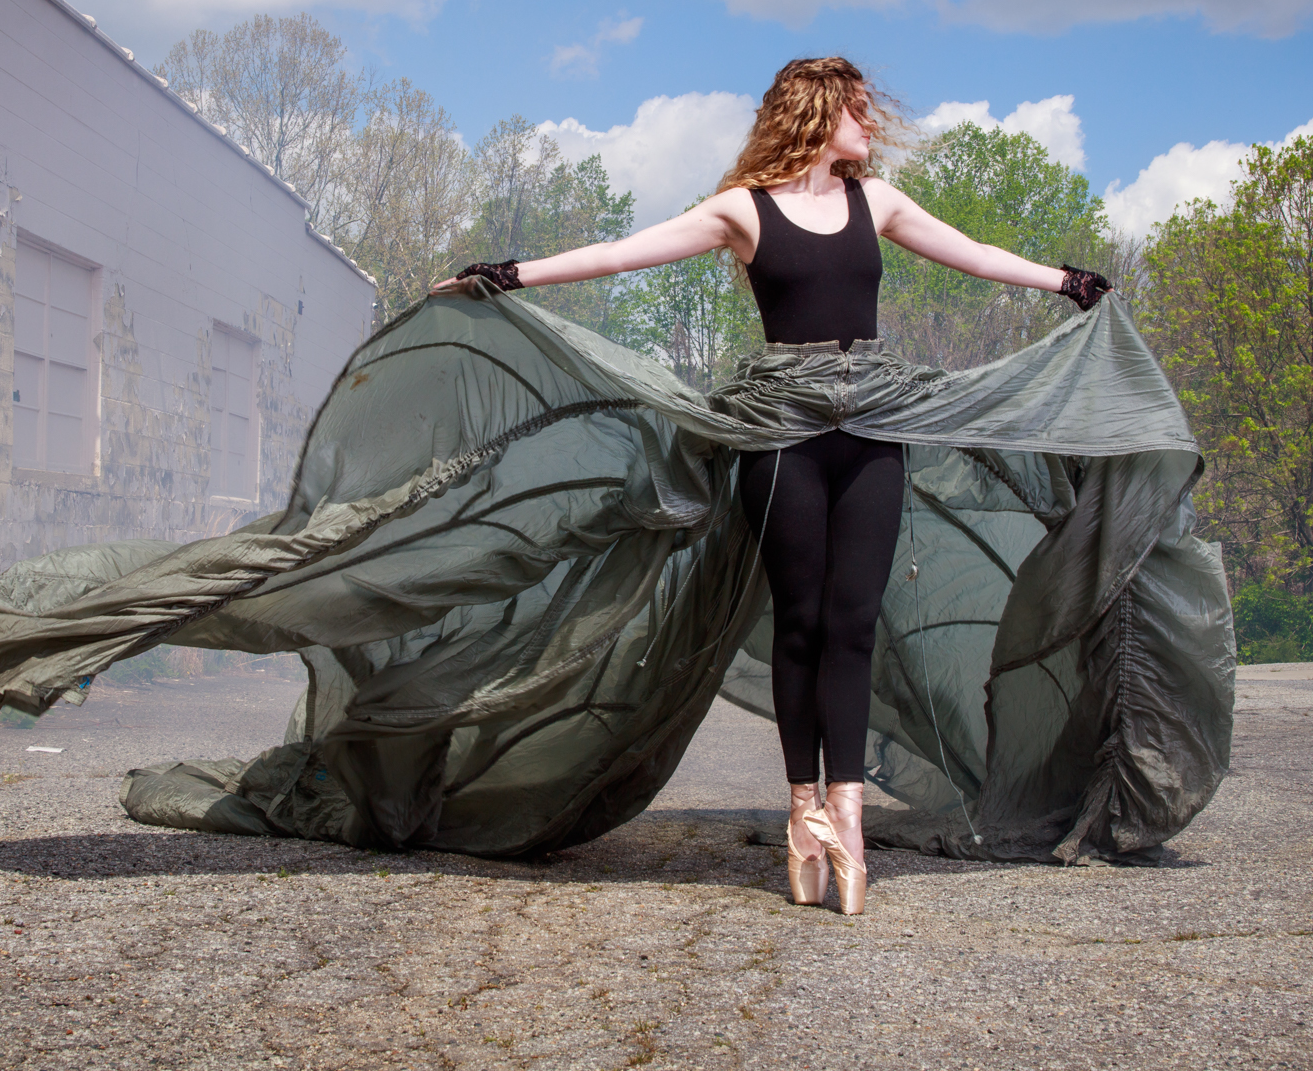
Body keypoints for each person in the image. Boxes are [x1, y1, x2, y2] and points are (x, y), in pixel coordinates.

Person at [435, 56, 1110, 914]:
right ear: (816, 112)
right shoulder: (742, 210)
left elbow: (973, 256)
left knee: (853, 624)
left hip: (871, 429)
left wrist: (1069, 282)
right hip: (783, 433)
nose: (870, 123)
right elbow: (617, 254)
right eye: (858, 109)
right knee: (803, 625)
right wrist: (507, 274)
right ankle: (803, 811)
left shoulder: (877, 201)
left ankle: (847, 818)